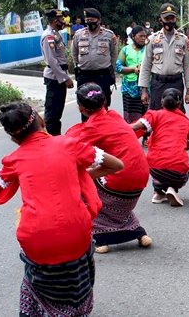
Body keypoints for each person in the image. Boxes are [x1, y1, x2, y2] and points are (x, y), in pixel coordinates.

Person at [0, 102, 123, 316]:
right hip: (76, 234)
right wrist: (77, 173)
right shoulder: (71, 144)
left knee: (32, 279)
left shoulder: (13, 160)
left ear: (14, 139)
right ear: (42, 121)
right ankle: (76, 308)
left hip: (36, 240)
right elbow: (116, 165)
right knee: (82, 255)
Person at [66, 83, 151, 254]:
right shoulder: (114, 116)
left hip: (120, 182)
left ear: (81, 108)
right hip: (141, 179)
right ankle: (136, 231)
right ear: (104, 101)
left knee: (76, 182)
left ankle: (101, 237)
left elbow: (67, 146)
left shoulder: (92, 128)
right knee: (99, 167)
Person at [130, 88, 189, 206]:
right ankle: (172, 188)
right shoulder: (186, 121)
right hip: (177, 170)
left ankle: (158, 192)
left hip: (156, 167)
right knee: (181, 166)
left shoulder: (154, 115)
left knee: (157, 163)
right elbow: (186, 144)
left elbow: (134, 127)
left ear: (161, 101)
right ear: (179, 104)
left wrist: (114, 128)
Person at [138, 3, 189, 112]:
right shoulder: (152, 39)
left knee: (177, 115)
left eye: (172, 18)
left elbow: (187, 67)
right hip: (158, 83)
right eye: (166, 18)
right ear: (160, 20)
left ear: (175, 19)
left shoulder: (183, 40)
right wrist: (144, 91)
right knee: (157, 115)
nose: (169, 21)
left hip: (176, 83)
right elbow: (146, 66)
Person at [71, 7, 118, 117]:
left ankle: (103, 131)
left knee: (102, 106)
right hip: (84, 76)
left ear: (99, 20)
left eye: (93, 20)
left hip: (102, 76)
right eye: (88, 21)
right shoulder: (79, 34)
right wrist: (78, 65)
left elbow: (113, 55)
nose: (90, 23)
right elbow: (74, 53)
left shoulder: (109, 35)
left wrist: (111, 69)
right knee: (84, 106)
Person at [40, 9, 74, 136]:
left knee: (58, 111)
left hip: (58, 77)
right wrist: (65, 78)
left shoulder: (56, 34)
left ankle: (56, 137)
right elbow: (51, 60)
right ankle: (50, 139)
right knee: (52, 113)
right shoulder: (48, 36)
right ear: (55, 21)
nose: (64, 22)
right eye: (61, 20)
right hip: (54, 78)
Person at [116, 26, 148, 123]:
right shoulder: (126, 50)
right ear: (133, 36)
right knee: (130, 117)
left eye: (145, 36)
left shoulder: (148, 49)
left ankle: (146, 138)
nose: (143, 38)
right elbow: (118, 67)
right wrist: (133, 69)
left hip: (146, 88)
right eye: (140, 36)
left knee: (146, 117)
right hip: (129, 88)